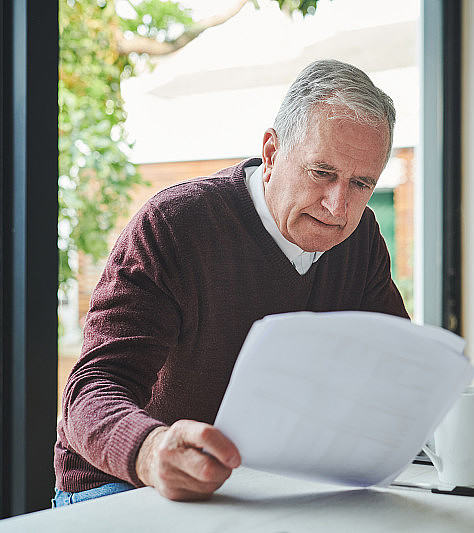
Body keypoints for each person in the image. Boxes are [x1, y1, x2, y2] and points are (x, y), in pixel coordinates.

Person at [52, 59, 408, 507]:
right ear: (273, 154)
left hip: (271, 479)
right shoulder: (176, 224)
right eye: (322, 173)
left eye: (360, 184)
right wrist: (149, 450)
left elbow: (398, 367)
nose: (338, 207)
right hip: (122, 481)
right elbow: (91, 390)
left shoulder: (361, 240)